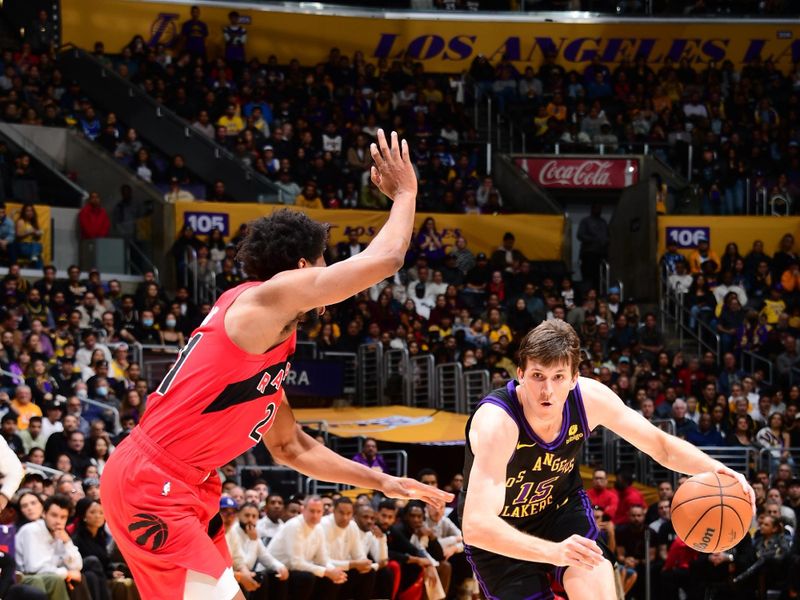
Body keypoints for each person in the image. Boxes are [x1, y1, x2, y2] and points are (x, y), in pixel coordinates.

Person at [100, 130, 451, 600]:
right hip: (153, 482)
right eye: (324, 262)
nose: (329, 275)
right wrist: (406, 194)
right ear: (302, 266)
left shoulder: (271, 337)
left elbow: (291, 447)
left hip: (186, 485)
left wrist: (382, 480)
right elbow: (385, 258)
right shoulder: (263, 300)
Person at [459, 319, 754, 600]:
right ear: (520, 374)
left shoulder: (589, 399)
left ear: (575, 378)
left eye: (558, 377)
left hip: (559, 510)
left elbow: (661, 446)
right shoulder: (497, 423)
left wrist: (719, 469)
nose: (547, 390)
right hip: (499, 532)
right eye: (537, 376)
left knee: (596, 586)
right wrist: (552, 552)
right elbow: (476, 525)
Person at [576, 204, 609, 290]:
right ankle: (588, 294)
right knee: (588, 276)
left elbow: (607, 236)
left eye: (600, 209)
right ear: (592, 209)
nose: (598, 210)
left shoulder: (603, 222)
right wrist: (594, 240)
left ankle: (598, 294)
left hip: (601, 254)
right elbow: (580, 235)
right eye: (596, 208)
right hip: (589, 253)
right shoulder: (586, 221)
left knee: (600, 276)